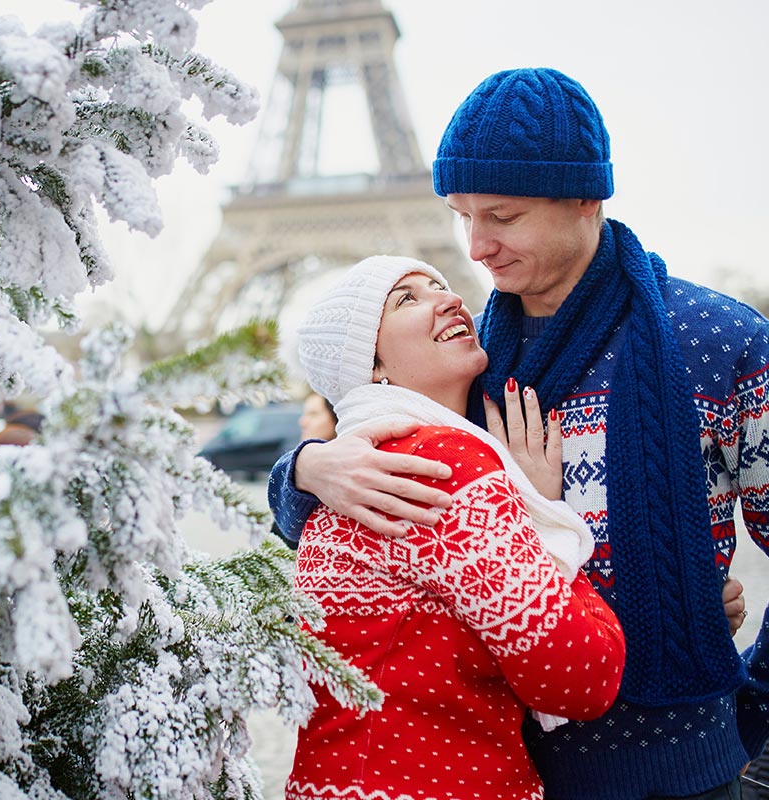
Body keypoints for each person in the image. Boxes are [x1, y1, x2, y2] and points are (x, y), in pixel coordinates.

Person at [268, 67, 769, 799]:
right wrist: (307, 469)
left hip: (686, 767)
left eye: (501, 217)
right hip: (500, 764)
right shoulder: (462, 355)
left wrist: (756, 715)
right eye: (460, 215)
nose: (474, 247)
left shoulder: (718, 341)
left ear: (585, 197)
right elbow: (336, 536)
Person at [284, 254, 625, 800]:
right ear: (369, 365)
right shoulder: (443, 464)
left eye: (440, 285)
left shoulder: (347, 478)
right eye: (406, 299)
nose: (449, 298)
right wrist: (544, 514)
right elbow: (581, 678)